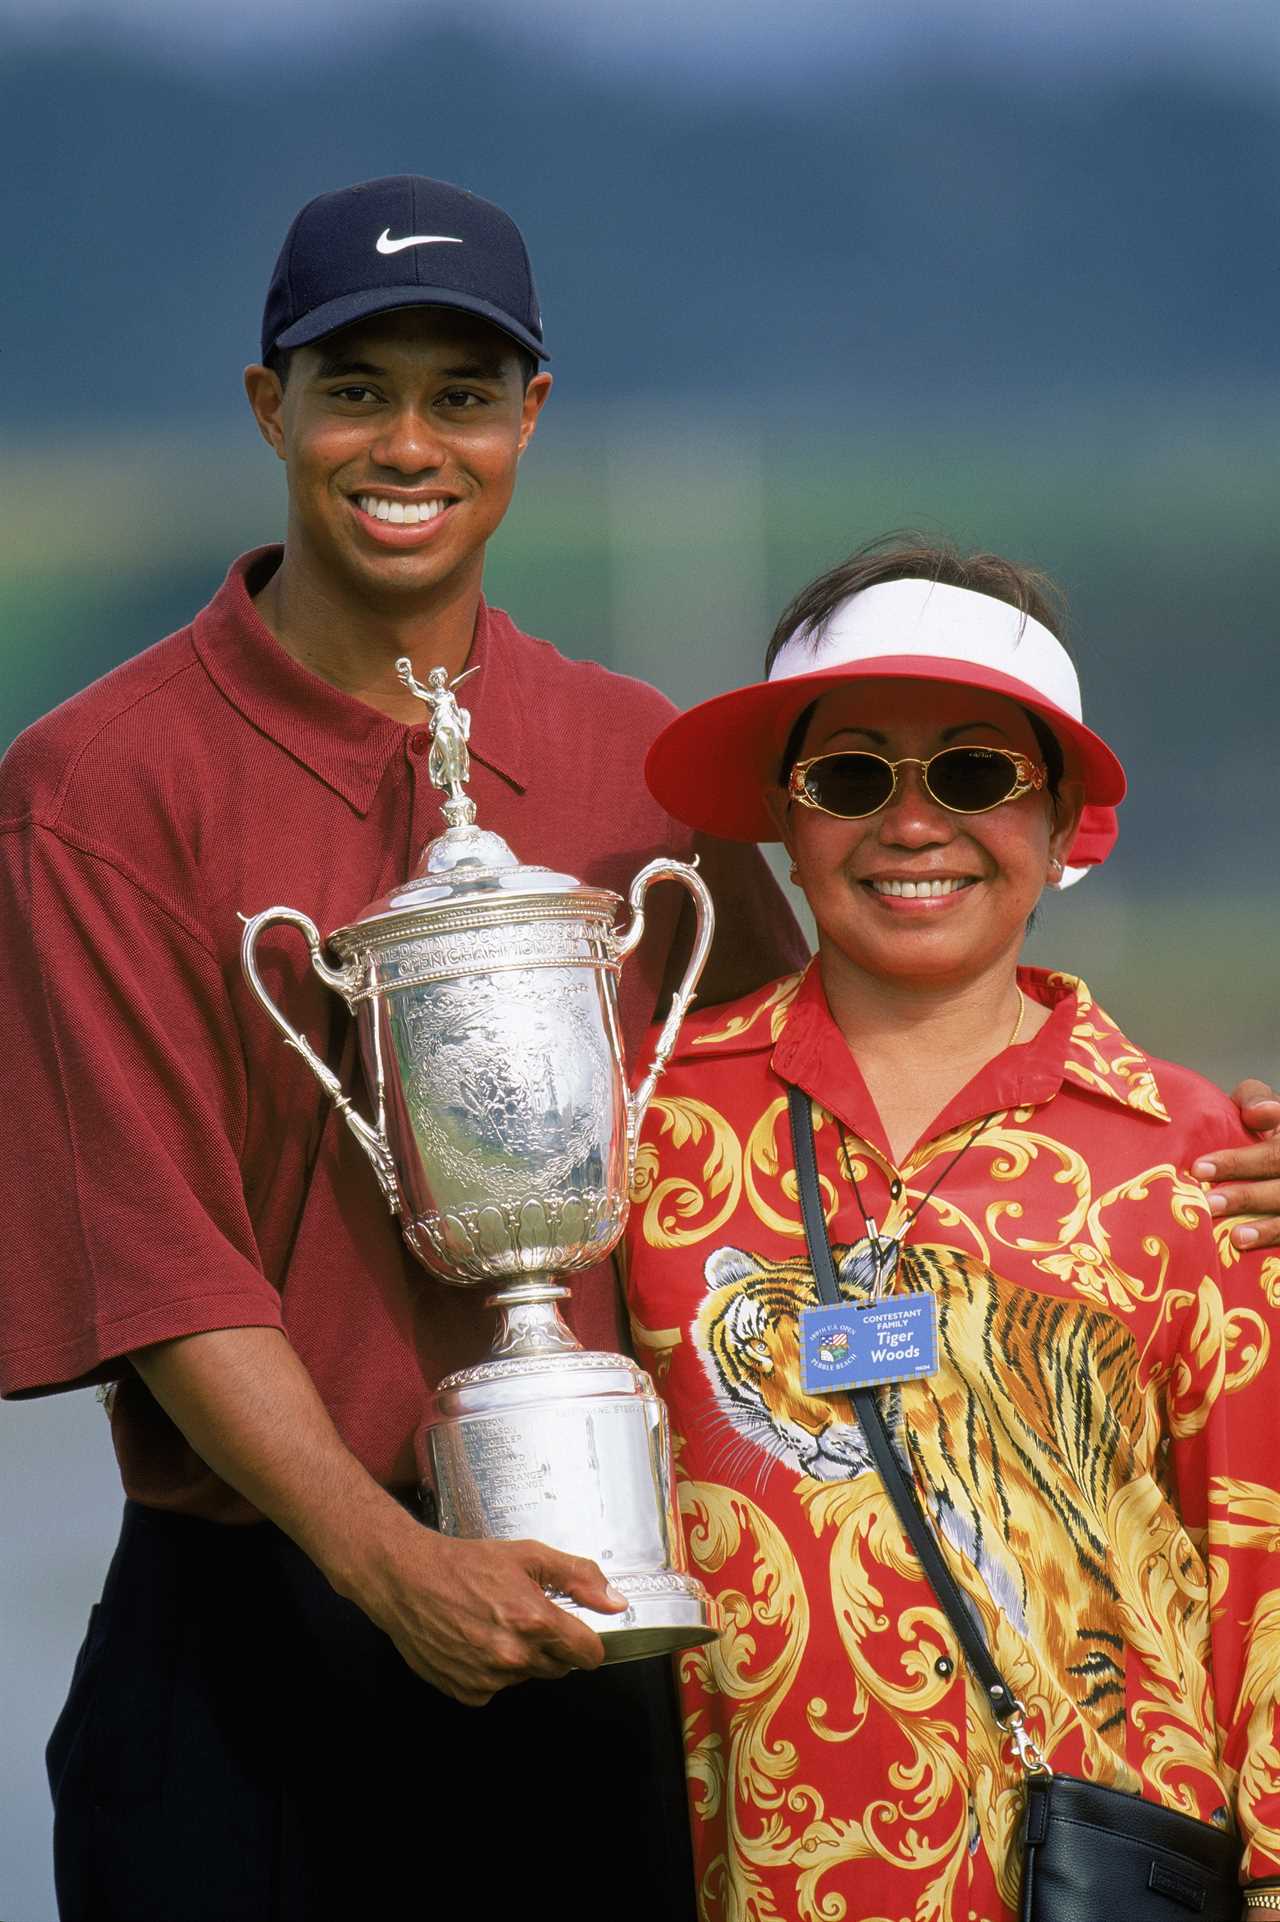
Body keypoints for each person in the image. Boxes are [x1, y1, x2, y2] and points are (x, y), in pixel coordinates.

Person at [0, 175, 810, 1921]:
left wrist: (1195, 1163)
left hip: (608, 1618)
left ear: (530, 415)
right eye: (355, 384)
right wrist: (393, 1566)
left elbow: (810, 1138)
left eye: (461, 391)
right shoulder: (92, 788)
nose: (407, 440)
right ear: (267, 403)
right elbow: (158, 1255)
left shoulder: (640, 766)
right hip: (252, 1646)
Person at [623, 539, 1280, 1921]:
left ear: (1059, 825)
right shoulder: (643, 1134)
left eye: (976, 773)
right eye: (852, 776)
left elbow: (1263, 1586)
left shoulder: (1200, 1157)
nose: (912, 824)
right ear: (784, 824)